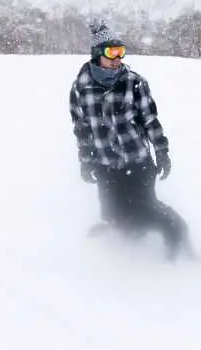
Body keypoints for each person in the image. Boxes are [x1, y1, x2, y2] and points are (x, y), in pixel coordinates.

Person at [68, 20, 191, 262]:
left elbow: (151, 121)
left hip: (137, 161)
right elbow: (82, 129)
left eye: (121, 52)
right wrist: (86, 161)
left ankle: (179, 244)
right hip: (105, 164)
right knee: (112, 213)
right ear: (97, 54)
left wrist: (162, 152)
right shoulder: (80, 87)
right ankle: (127, 249)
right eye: (111, 52)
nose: (117, 58)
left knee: (147, 209)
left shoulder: (134, 82)